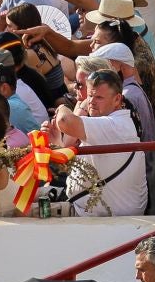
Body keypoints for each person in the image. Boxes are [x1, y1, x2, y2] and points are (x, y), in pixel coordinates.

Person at [50, 68, 149, 215]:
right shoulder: (114, 122)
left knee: (19, 210)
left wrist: (63, 107)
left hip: (96, 215)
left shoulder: (114, 125)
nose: (91, 102)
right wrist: (56, 140)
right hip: (86, 208)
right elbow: (65, 156)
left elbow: (65, 121)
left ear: (117, 99)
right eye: (89, 96)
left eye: (99, 98)